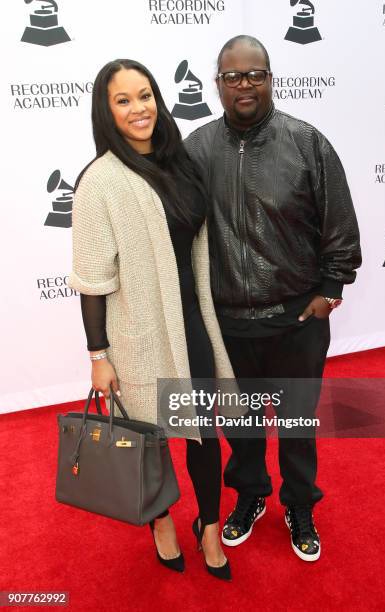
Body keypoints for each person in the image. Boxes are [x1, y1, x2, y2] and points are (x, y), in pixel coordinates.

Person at [185, 35, 362, 562]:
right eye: (233, 75)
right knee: (239, 429)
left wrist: (330, 290)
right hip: (228, 324)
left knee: (297, 426)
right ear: (217, 83)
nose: (245, 84)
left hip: (295, 320)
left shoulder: (306, 142)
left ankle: (300, 504)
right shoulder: (196, 149)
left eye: (255, 74)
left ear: (270, 78)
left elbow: (340, 226)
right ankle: (250, 497)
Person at [68, 59, 235, 580]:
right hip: (138, 337)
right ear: (107, 111)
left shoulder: (181, 163)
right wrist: (99, 357)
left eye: (145, 96)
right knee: (153, 442)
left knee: (203, 434)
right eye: (123, 100)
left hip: (192, 327)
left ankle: (208, 525)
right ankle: (160, 522)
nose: (139, 108)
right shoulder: (98, 182)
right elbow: (92, 281)